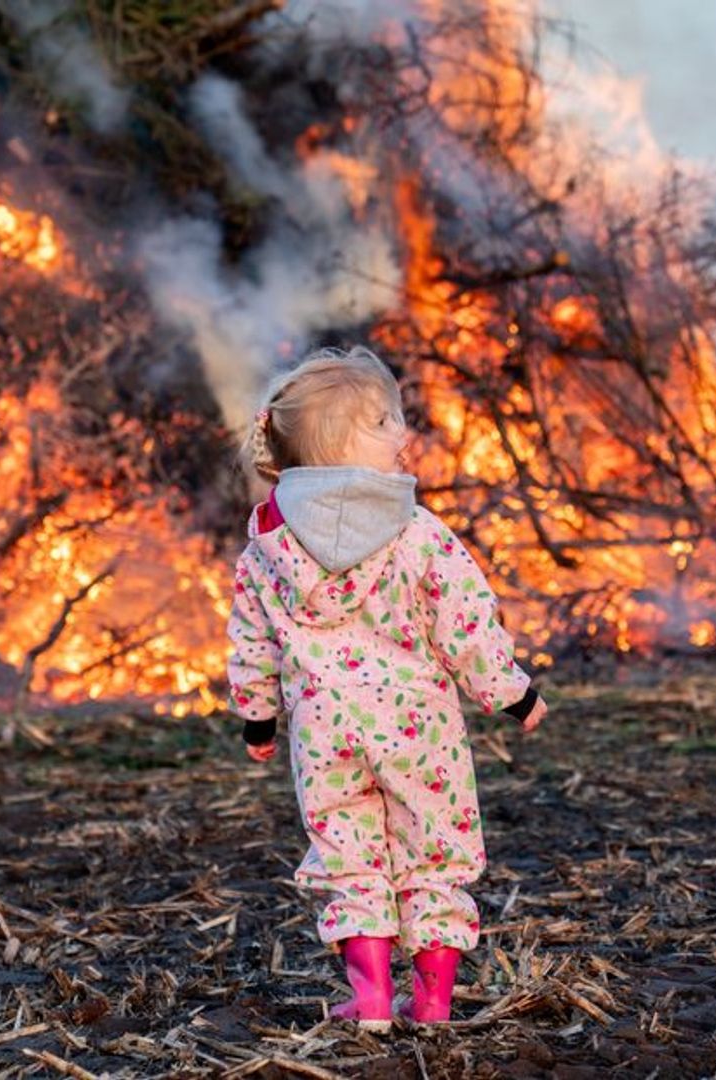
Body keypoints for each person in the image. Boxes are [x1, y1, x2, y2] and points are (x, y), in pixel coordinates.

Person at [226, 345, 545, 1029]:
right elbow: (466, 624)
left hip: (324, 733)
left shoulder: (267, 547)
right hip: (419, 729)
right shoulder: (420, 533)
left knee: (349, 854)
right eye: (383, 421)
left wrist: (258, 719)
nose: (401, 431)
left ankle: (370, 999)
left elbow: (251, 641)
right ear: (346, 445)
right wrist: (512, 693)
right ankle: (431, 1000)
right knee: (435, 850)